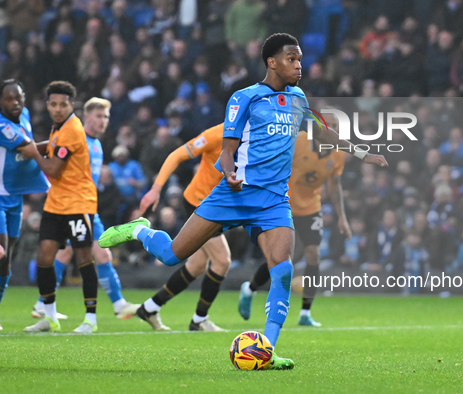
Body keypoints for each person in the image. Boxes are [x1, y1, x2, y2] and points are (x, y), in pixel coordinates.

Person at [98, 33, 387, 369]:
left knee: (282, 270)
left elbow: (322, 132)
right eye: (292, 59)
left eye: (300, 59)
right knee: (171, 254)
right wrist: (230, 172)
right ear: (272, 62)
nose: (299, 65)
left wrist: (363, 152)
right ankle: (139, 230)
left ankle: (266, 351)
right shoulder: (245, 98)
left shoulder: (297, 99)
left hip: (274, 201)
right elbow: (227, 150)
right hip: (233, 194)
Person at [30, 98, 140, 321]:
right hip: (72, 206)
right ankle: (115, 305)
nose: (103, 121)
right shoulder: (76, 138)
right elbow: (51, 152)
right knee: (83, 252)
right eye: (99, 116)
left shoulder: (96, 144)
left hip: (87, 206)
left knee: (91, 252)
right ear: (86, 116)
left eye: (106, 117)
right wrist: (29, 148)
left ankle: (43, 304)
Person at [238, 131, 351, 327]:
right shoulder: (299, 140)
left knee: (313, 254)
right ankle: (249, 289)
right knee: (282, 257)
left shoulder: (338, 154)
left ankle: (305, 313)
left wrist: (342, 216)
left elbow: (335, 185)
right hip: (284, 205)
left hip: (311, 208)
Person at [135, 123, 230, 332]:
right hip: (200, 202)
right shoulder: (215, 134)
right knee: (222, 260)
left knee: (196, 266)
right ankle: (199, 320)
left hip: (219, 206)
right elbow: (176, 155)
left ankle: (150, 308)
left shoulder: (257, 137)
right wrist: (156, 189)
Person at [21, 81, 99, 333]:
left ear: (71, 106)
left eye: (62, 105)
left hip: (78, 202)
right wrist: (26, 147)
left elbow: (53, 169)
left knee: (84, 259)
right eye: (53, 104)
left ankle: (91, 319)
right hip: (56, 203)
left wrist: (32, 152)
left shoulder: (73, 130)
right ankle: (50, 316)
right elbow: (51, 146)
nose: (57, 109)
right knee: (44, 257)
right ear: (47, 105)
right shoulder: (59, 128)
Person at [0, 79, 50, 331]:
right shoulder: (1, 125)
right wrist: (61, 144)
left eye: (18, 97)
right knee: (0, 251)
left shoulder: (25, 115)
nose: (15, 102)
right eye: (9, 98)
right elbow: (30, 149)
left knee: (6, 259)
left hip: (14, 197)